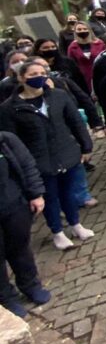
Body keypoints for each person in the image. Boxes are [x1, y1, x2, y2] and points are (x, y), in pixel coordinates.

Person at [0, 59, 94, 249]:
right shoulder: (10, 108)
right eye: (32, 75)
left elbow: (75, 122)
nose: (39, 77)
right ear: (21, 77)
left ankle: (76, 224)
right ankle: (57, 232)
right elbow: (12, 141)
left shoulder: (58, 96)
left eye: (41, 73)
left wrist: (86, 146)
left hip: (66, 154)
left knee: (69, 194)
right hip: (40, 162)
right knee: (50, 198)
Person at [0, 130, 50, 317]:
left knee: (20, 247)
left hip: (14, 205)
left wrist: (36, 194)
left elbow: (27, 165)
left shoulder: (6, 140)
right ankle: (6, 297)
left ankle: (30, 286)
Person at [66, 21, 106, 94]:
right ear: (75, 31)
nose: (82, 31)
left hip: (101, 73)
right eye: (79, 29)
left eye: (85, 29)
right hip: (84, 77)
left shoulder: (99, 43)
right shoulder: (72, 47)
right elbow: (71, 64)